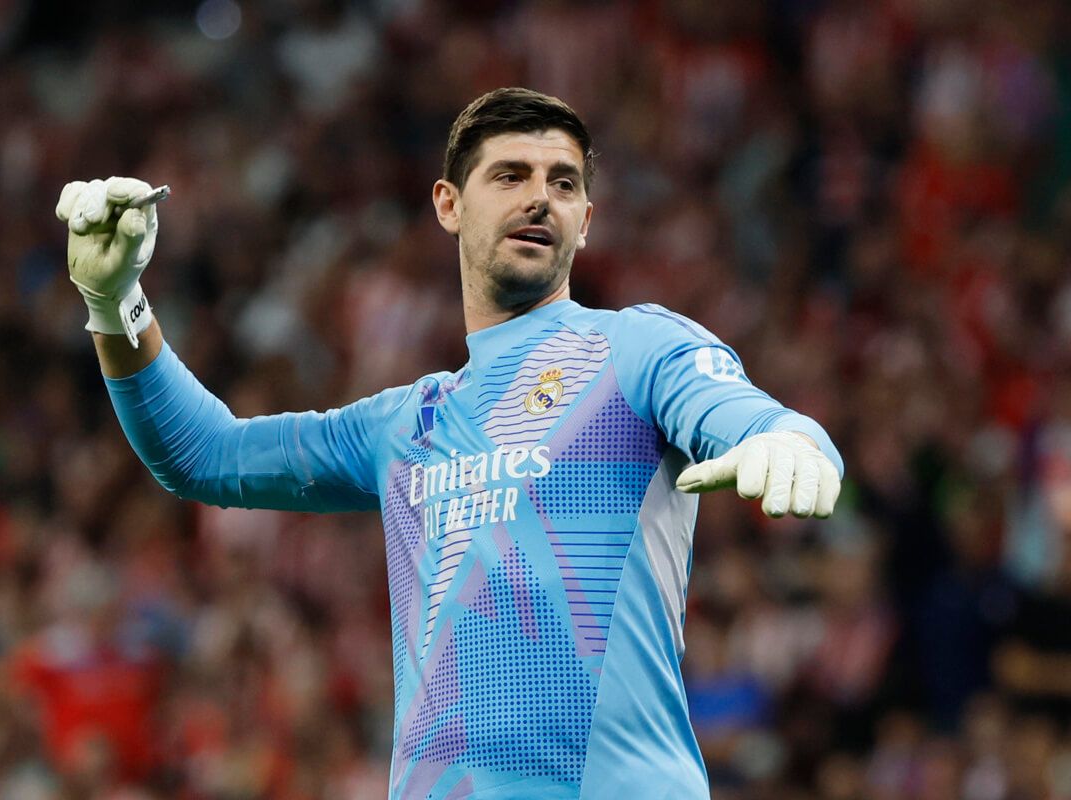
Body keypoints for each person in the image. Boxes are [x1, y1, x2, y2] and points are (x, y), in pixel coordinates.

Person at [55, 88, 842, 799]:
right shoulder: (406, 423)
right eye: (510, 176)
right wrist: (115, 302)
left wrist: (794, 441)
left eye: (563, 183)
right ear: (448, 204)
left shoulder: (637, 349)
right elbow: (204, 455)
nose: (539, 198)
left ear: (586, 221)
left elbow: (749, 415)